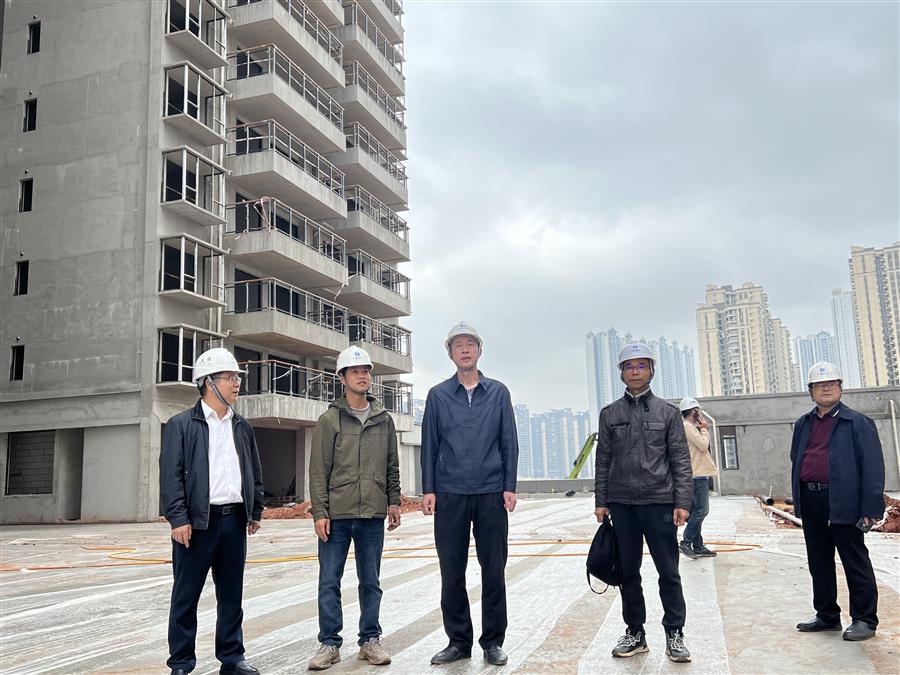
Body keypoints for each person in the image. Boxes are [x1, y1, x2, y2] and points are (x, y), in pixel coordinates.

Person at [160, 347, 264, 675]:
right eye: (230, 377)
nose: (237, 383)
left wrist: (254, 510)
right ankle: (181, 662)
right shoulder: (180, 425)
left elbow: (253, 471)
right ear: (208, 382)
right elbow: (171, 476)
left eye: (237, 377)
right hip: (196, 524)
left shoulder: (242, 426)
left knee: (231, 595)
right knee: (186, 596)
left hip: (234, 521)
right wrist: (178, 518)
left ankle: (232, 659)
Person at [420, 322, 519, 667]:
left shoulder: (499, 393)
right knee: (452, 570)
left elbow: (509, 442)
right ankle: (458, 641)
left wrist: (509, 485)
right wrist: (429, 489)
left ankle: (493, 642)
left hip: (491, 491)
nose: (465, 350)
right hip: (450, 492)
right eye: (458, 345)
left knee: (493, 570)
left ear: (479, 350)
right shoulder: (438, 395)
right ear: (450, 353)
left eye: (470, 344)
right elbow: (430, 445)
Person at [594, 342, 693, 663]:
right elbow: (603, 459)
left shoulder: (668, 413)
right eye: (629, 366)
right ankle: (635, 632)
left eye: (641, 366)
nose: (635, 371)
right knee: (628, 572)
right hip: (621, 504)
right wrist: (601, 501)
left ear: (651, 371)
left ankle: (675, 633)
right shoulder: (610, 414)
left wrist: (682, 501)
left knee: (669, 571)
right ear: (621, 373)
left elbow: (680, 460)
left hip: (659, 502)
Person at [307, 347, 402, 670]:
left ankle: (370, 640)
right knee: (329, 581)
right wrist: (320, 512)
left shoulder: (384, 420)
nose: (362, 376)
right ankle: (329, 644)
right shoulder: (329, 420)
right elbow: (318, 471)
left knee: (371, 581)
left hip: (372, 514)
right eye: (355, 371)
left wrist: (394, 501)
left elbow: (392, 465)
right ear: (342, 378)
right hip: (337, 515)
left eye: (366, 371)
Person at [791, 362, 884, 642]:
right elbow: (797, 459)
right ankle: (827, 615)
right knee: (818, 561)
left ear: (840, 388)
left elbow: (873, 467)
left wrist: (870, 507)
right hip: (812, 499)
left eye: (832, 383)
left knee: (854, 561)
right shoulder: (803, 424)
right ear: (811, 391)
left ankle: (864, 619)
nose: (826, 388)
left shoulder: (857, 422)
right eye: (820, 385)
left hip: (845, 501)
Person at [678, 397, 718, 559]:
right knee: (702, 510)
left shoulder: (690, 427)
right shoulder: (687, 427)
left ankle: (698, 546)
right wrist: (705, 429)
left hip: (698, 473)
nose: (699, 413)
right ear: (693, 411)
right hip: (697, 474)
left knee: (695, 512)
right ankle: (686, 542)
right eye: (697, 410)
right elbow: (703, 445)